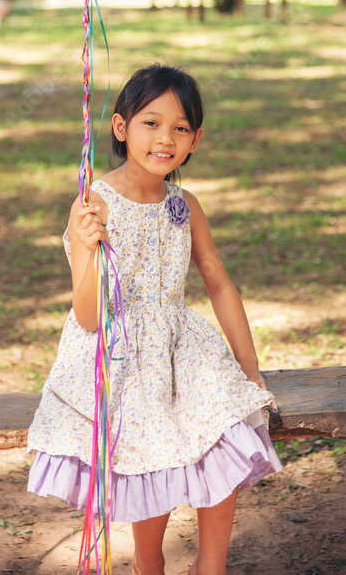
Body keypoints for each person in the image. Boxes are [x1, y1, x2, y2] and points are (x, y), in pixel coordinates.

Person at [26, 64, 281, 575]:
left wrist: (250, 370)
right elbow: (88, 315)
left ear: (195, 140)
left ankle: (212, 566)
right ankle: (149, 563)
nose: (165, 138)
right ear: (121, 127)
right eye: (151, 123)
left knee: (224, 422)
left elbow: (218, 282)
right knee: (151, 444)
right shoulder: (93, 205)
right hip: (118, 355)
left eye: (180, 128)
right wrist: (90, 244)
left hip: (180, 346)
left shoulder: (184, 204)